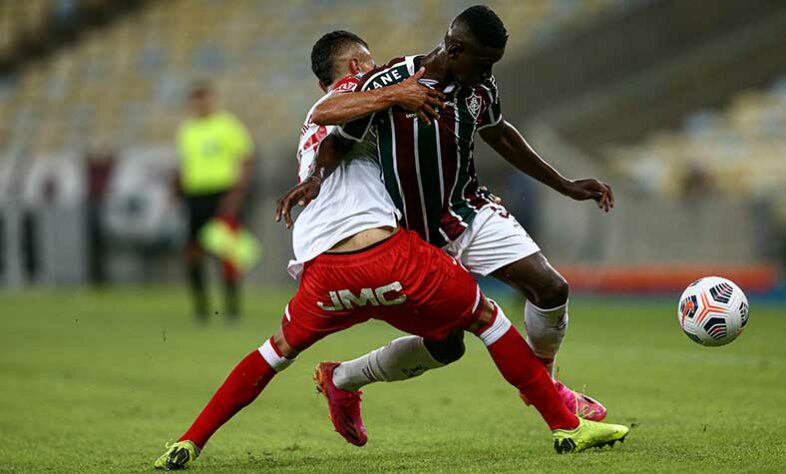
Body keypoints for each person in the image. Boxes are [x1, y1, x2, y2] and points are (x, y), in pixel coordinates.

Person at [153, 30, 628, 471]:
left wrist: (317, 178)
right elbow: (329, 110)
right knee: (488, 320)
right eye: (369, 63)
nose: (380, 69)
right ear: (356, 65)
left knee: (285, 350)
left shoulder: (332, 128)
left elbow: (336, 134)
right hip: (385, 254)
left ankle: (190, 440)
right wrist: (397, 92)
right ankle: (566, 425)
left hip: (322, 273)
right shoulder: (359, 93)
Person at [281, 5, 616, 442]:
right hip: (410, 236)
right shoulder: (392, 81)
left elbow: (499, 134)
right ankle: (342, 378)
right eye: (483, 60)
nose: (488, 71)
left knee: (551, 288)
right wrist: (313, 179)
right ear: (455, 48)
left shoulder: (481, 87)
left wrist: (565, 184)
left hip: (467, 211)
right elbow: (334, 132)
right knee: (447, 346)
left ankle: (545, 387)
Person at [175, 81, 255, 322]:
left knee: (226, 254)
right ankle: (201, 308)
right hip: (195, 196)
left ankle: (232, 308)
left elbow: (245, 158)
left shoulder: (227, 125)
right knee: (193, 252)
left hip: (221, 194)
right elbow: (185, 165)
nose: (201, 104)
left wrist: (237, 194)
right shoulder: (187, 130)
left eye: (205, 99)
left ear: (212, 100)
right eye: (197, 100)